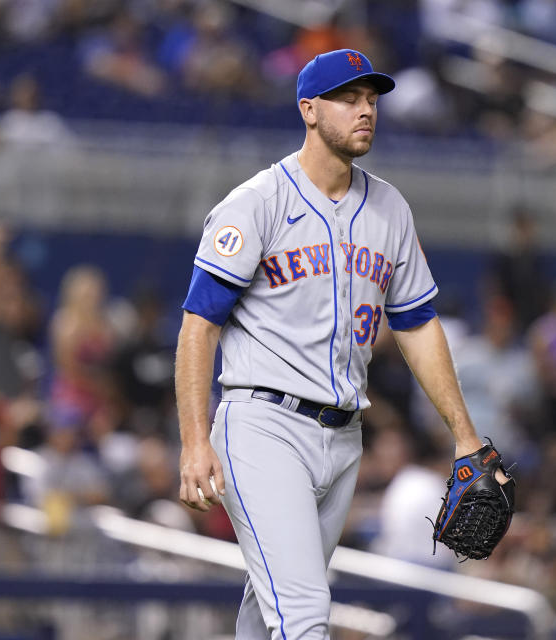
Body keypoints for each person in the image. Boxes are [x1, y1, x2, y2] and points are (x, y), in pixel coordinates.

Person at [174, 49, 511, 639]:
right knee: (303, 615)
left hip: (344, 436)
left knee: (268, 611)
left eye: (372, 100)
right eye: (348, 99)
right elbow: (198, 325)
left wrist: (464, 435)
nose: (365, 111)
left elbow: (416, 324)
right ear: (308, 109)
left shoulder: (390, 208)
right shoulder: (258, 203)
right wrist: (194, 441)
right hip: (263, 426)